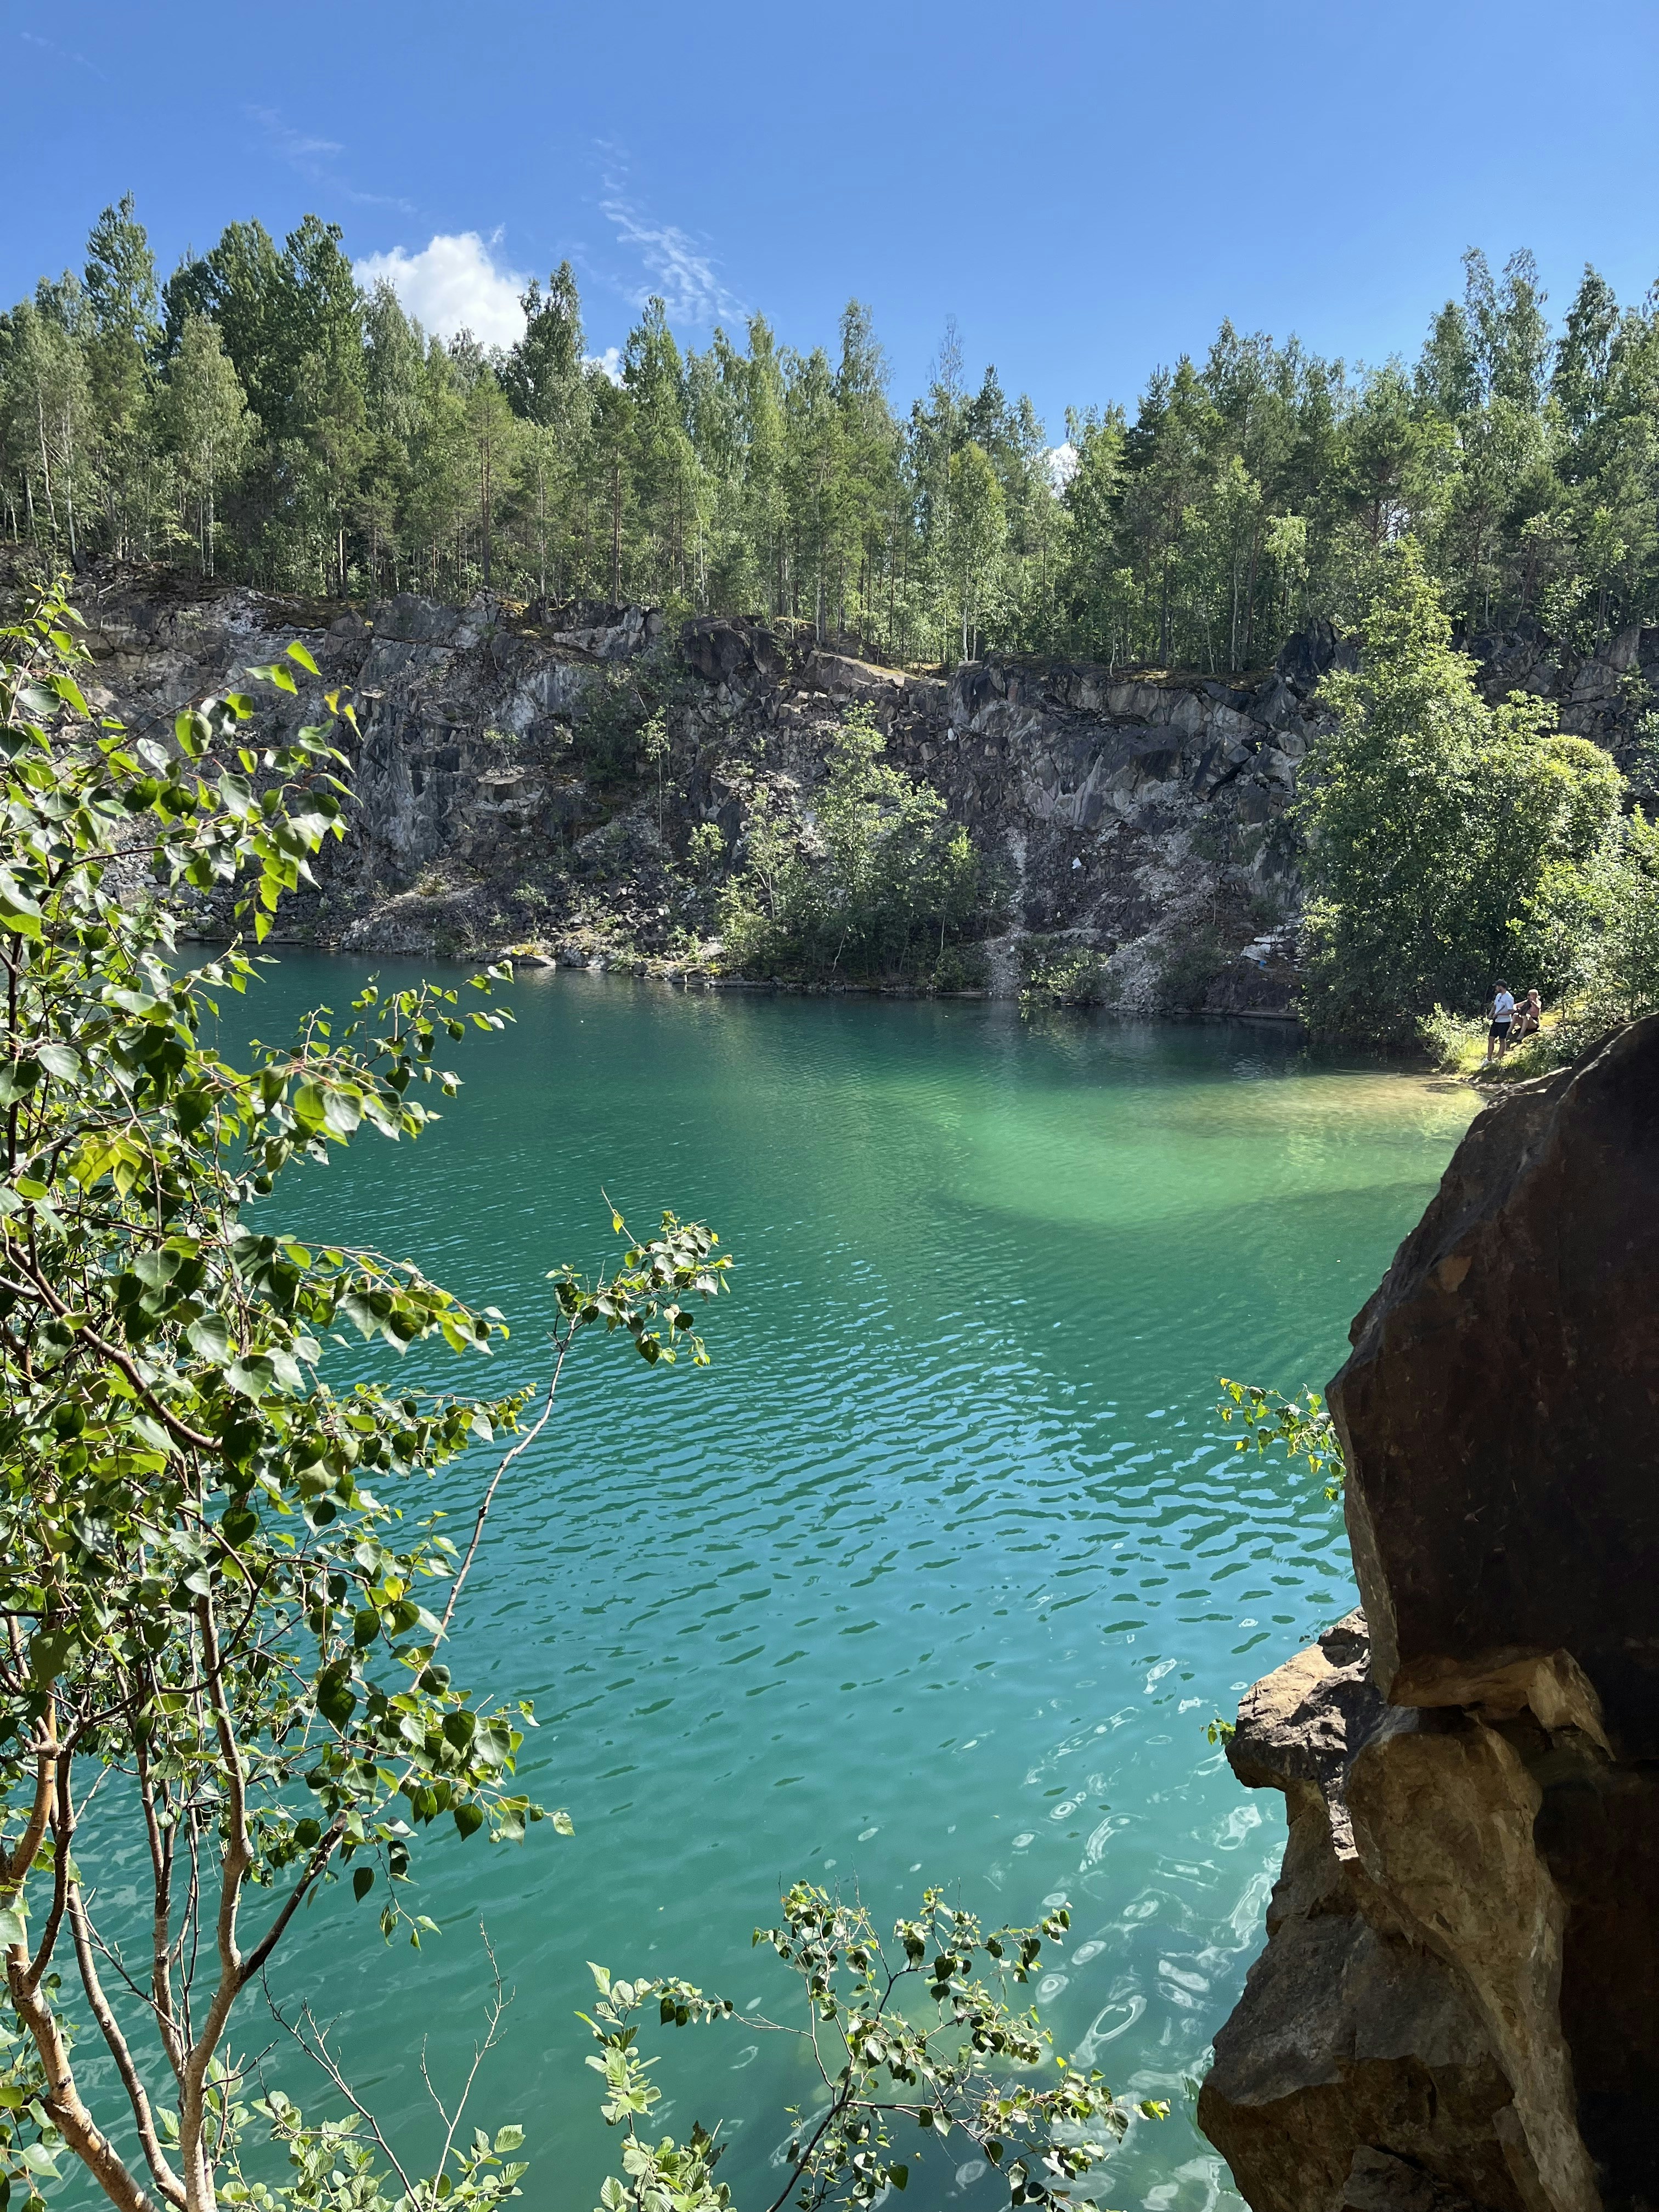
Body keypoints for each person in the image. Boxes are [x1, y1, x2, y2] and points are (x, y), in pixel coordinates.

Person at [1487, 980, 1517, 1063]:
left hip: (1505, 1022)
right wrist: (1491, 1014)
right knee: (1491, 1038)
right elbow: (1495, 1006)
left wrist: (1500, 1014)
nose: (1496, 988)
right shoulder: (1499, 996)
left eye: (1496, 987)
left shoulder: (1509, 997)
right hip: (1497, 1021)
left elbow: (1511, 1011)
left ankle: (1499, 1060)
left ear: (1500, 987)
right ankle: (1489, 1059)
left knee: (1502, 1040)